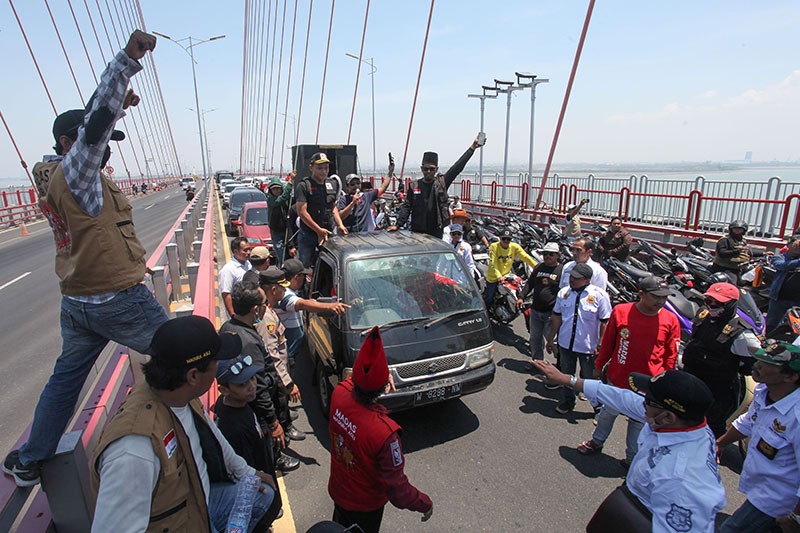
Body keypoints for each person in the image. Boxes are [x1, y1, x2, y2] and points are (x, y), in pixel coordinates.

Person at [2, 30, 170, 488]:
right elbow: (93, 128)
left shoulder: (57, 174)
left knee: (66, 379)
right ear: (67, 142)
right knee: (186, 351)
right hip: (117, 299)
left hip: (78, 301)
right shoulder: (78, 173)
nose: (105, 147)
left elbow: (96, 122)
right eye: (96, 141)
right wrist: (126, 62)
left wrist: (116, 107)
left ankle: (30, 458)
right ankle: (187, 439)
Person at [89, 316, 275, 532]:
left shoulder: (179, 394)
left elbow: (215, 436)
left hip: (199, 499)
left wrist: (248, 473)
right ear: (193, 376)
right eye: (216, 361)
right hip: (182, 522)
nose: (218, 367)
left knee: (262, 492)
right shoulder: (134, 450)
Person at [532, 361, 724, 533]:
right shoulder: (687, 424)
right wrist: (568, 380)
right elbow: (622, 398)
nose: (642, 402)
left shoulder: (680, 481)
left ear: (667, 417)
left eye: (648, 400)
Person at [328, 326, 433, 533]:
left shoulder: (339, 393)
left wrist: (378, 374)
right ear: (384, 387)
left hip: (339, 492)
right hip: (365, 509)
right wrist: (424, 503)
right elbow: (398, 490)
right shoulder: (385, 433)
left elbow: (354, 379)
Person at [579, 275, 680, 467]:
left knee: (638, 424)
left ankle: (632, 459)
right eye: (656, 296)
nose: (660, 301)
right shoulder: (621, 312)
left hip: (648, 386)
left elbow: (670, 356)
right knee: (607, 413)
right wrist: (599, 366)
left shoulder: (670, 320)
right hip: (618, 379)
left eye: (664, 297)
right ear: (641, 294)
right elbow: (608, 343)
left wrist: (665, 384)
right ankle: (597, 442)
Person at [717, 341, 800, 533]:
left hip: (777, 503)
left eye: (768, 364)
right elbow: (749, 422)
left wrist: (795, 518)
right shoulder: (765, 391)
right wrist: (719, 443)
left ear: (791, 376)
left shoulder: (796, 417)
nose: (757, 365)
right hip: (759, 487)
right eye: (759, 359)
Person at [220, 280, 300, 473]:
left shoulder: (228, 327)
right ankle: (275, 459)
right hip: (258, 408)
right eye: (265, 304)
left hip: (249, 404)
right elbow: (259, 386)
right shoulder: (248, 341)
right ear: (255, 310)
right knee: (264, 448)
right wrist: (273, 422)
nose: (267, 307)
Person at [682, 282, 761, 437]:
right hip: (691, 382)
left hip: (716, 393)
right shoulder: (703, 315)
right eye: (708, 301)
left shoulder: (741, 334)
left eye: (718, 303)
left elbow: (754, 366)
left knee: (710, 430)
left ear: (732, 304)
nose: (711, 306)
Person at [214, 354, 283, 530]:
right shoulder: (234, 429)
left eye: (252, 378)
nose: (251, 386)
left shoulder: (236, 403)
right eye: (242, 384)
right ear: (224, 390)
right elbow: (246, 476)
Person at [545, 263, 612, 414]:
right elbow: (557, 317)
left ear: (587, 280)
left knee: (590, 379)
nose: (572, 280)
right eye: (571, 277)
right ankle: (568, 401)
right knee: (566, 376)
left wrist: (601, 343)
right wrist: (551, 338)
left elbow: (605, 322)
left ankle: (598, 408)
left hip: (587, 347)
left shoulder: (599, 296)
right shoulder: (564, 293)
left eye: (576, 278)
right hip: (565, 344)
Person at [390, 134, 486, 238]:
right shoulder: (414, 185)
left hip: (436, 232)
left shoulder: (442, 183)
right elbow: (407, 206)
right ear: (421, 169)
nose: (428, 172)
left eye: (431, 169)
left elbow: (457, 167)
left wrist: (472, 148)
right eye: (426, 169)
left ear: (436, 169)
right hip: (417, 232)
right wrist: (398, 225)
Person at [275, 259, 350, 373]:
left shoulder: (289, 291)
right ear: (296, 277)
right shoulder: (284, 295)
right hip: (287, 353)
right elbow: (302, 304)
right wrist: (330, 306)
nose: (305, 279)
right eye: (303, 276)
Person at [258, 269, 304, 443]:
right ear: (273, 290)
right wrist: (288, 383)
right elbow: (273, 355)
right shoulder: (266, 318)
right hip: (275, 375)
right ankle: (282, 439)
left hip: (278, 372)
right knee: (279, 405)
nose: (285, 291)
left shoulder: (269, 308)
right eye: (282, 288)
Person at [295, 152, 348, 267]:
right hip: (309, 234)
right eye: (319, 168)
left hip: (328, 233)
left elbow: (333, 207)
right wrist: (318, 230)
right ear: (311, 167)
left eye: (326, 168)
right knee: (305, 266)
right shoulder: (304, 186)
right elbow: (302, 212)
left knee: (329, 265)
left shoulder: (332, 184)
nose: (323, 171)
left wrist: (340, 224)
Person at [517, 242, 563, 367]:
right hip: (536, 310)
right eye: (545, 254)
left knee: (553, 340)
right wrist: (521, 296)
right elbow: (530, 283)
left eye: (551, 254)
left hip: (551, 313)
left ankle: (561, 365)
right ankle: (537, 363)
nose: (547, 256)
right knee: (535, 338)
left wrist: (557, 312)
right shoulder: (538, 267)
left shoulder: (562, 270)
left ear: (557, 255)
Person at [337, 154, 394, 234]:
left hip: (364, 235)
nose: (356, 186)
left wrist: (390, 172)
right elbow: (340, 217)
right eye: (352, 184)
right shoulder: (343, 199)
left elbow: (382, 188)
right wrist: (352, 203)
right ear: (347, 187)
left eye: (358, 183)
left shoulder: (366, 196)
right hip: (349, 236)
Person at [483, 228, 537, 308]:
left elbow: (525, 257)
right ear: (500, 238)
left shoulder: (514, 247)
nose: (506, 241)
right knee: (489, 298)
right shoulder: (494, 247)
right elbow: (492, 263)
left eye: (508, 239)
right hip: (493, 278)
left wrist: (537, 267)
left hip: (507, 276)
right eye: (503, 239)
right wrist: (499, 276)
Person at [767, 235, 800, 332]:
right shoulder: (780, 257)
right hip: (779, 298)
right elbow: (781, 266)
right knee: (772, 324)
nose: (797, 248)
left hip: (797, 300)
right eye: (795, 245)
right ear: (788, 245)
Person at [219, 237, 252, 317]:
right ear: (236, 251)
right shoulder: (228, 270)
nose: (248, 252)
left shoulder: (248, 264)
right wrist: (232, 315)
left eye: (249, 249)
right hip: (239, 313)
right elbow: (226, 294)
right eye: (245, 250)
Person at [712, 219, 752, 283]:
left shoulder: (743, 241)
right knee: (732, 284)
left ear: (744, 231)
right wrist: (737, 251)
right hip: (724, 268)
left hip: (738, 268)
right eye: (735, 229)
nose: (738, 231)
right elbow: (722, 253)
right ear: (731, 229)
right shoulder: (724, 240)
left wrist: (763, 253)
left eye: (740, 229)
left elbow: (748, 252)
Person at [266, 174, 293, 267]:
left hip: (286, 230)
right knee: (281, 254)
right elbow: (281, 199)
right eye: (274, 189)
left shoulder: (286, 199)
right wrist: (289, 184)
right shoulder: (271, 200)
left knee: (289, 255)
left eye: (278, 188)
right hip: (276, 231)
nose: (276, 191)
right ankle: (282, 269)